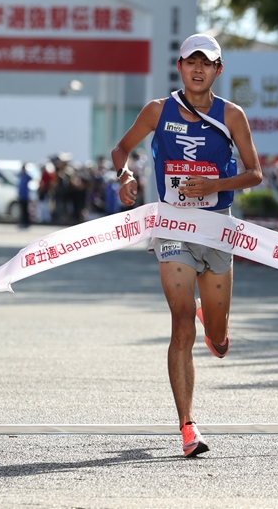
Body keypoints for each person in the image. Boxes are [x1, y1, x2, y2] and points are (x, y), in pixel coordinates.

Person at [111, 34, 262, 457]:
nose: (198, 69)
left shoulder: (232, 115)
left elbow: (255, 173)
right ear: (179, 67)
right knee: (181, 323)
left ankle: (215, 326)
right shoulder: (158, 111)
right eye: (190, 62)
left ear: (219, 69)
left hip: (216, 229)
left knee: (217, 337)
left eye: (206, 63)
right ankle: (187, 427)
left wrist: (214, 185)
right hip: (174, 228)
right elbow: (121, 149)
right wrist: (124, 176)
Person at [17, 163, 31, 229]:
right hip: (21, 196)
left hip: (25, 196)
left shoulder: (26, 177)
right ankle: (22, 222)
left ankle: (26, 222)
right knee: (21, 210)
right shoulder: (21, 177)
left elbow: (32, 177)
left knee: (25, 210)